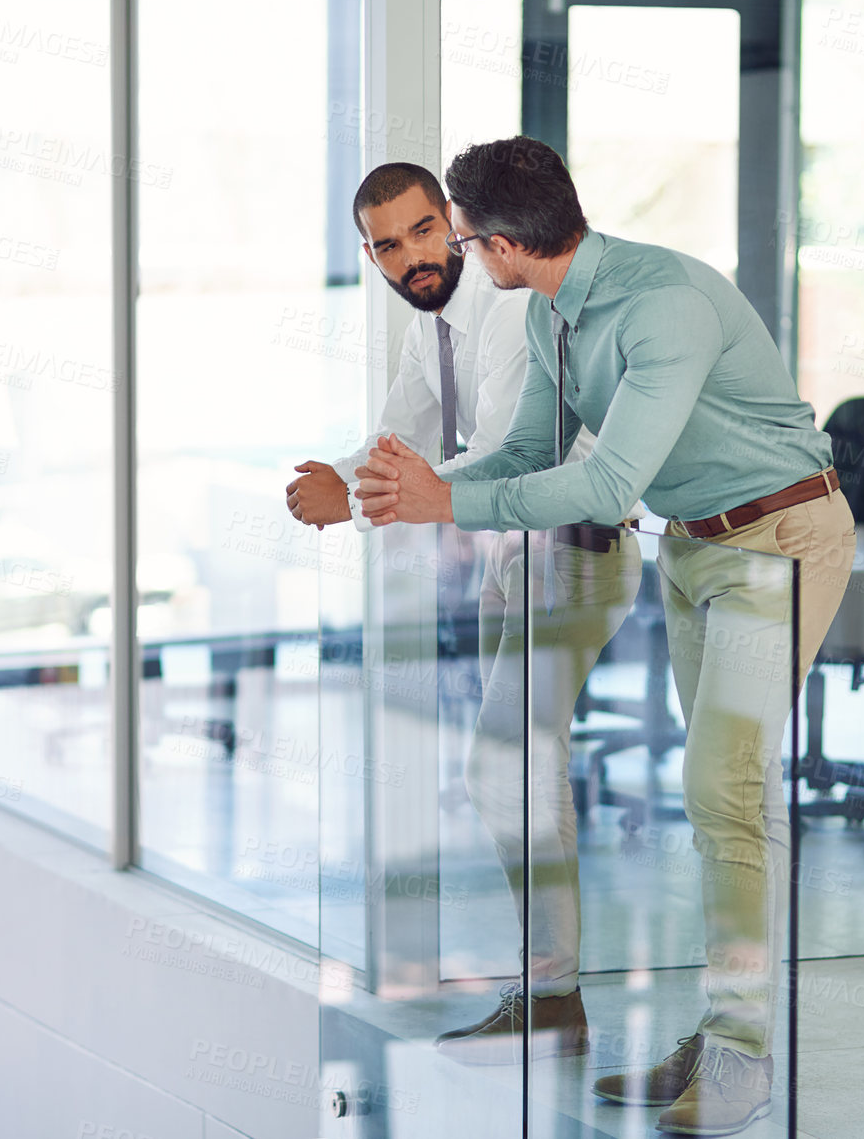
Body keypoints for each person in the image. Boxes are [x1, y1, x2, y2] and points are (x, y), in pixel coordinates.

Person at [355, 136, 856, 1137]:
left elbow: (602, 485)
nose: (460, 258)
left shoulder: (661, 302)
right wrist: (415, 487)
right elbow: (529, 452)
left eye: (459, 237)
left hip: (782, 537)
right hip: (695, 551)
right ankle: (718, 1036)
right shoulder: (554, 313)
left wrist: (438, 503)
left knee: (724, 786)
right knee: (718, 796)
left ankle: (741, 1057)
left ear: (498, 244)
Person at [286, 163, 643, 1069]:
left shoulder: (508, 309)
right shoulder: (431, 328)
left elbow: (499, 455)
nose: (412, 257)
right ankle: (548, 992)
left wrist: (364, 501)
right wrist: (345, 476)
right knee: (515, 771)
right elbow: (398, 441)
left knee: (508, 764)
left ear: (451, 222)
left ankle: (554, 994)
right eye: (387, 246)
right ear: (369, 258)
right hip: (507, 562)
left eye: (420, 232)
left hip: (575, 551)